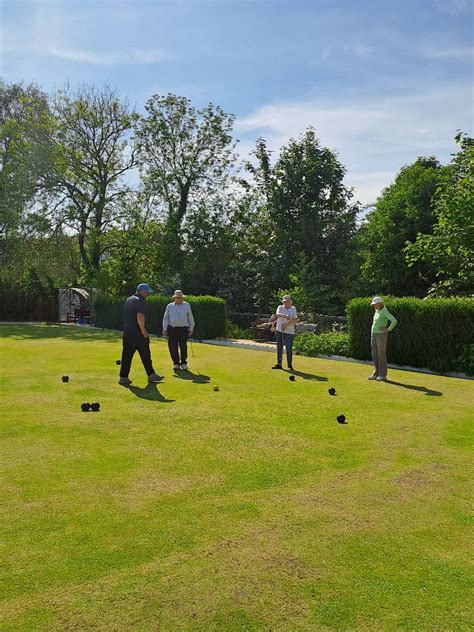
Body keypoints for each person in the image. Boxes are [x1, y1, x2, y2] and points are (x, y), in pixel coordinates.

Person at [118, 283, 164, 386]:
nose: (148, 294)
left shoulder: (129, 299)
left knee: (126, 355)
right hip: (138, 334)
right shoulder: (141, 301)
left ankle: (123, 377)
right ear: (142, 291)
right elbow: (140, 316)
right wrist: (143, 331)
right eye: (147, 292)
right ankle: (151, 375)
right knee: (146, 355)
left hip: (127, 333)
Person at [162, 290, 195, 370]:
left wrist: (191, 328)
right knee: (173, 347)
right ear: (175, 298)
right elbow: (165, 318)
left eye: (180, 297)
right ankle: (176, 363)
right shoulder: (169, 306)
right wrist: (164, 329)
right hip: (172, 329)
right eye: (177, 298)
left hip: (183, 329)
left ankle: (184, 363)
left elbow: (190, 317)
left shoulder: (187, 305)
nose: (179, 299)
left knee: (183, 346)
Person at [369, 296, 397, 381]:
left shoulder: (384, 311)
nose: (373, 306)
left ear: (380, 303)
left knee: (381, 354)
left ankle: (382, 375)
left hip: (381, 335)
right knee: (374, 354)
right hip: (373, 334)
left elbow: (394, 320)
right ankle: (376, 372)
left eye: (375, 304)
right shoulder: (377, 310)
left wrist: (388, 329)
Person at [271, 295, 298, 371]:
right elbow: (277, 314)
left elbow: (294, 319)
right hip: (279, 330)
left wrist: (286, 325)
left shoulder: (293, 309)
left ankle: (289, 365)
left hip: (289, 331)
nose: (285, 303)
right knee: (279, 347)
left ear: (290, 302)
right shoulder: (280, 307)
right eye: (284, 301)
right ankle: (279, 364)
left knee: (289, 348)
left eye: (286, 301)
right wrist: (285, 316)